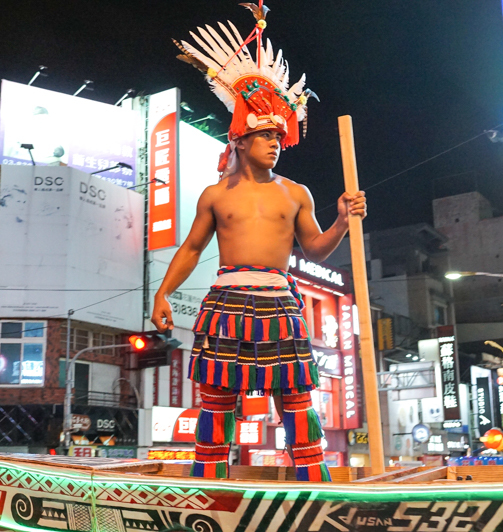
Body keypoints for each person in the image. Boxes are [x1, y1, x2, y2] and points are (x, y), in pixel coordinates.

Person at [154, 3, 366, 482]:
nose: (274, 141)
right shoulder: (215, 194)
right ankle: (208, 484)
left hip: (279, 296)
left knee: (295, 396)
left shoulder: (296, 193)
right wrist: (162, 292)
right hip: (227, 296)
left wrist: (342, 220)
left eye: (277, 134)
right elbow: (190, 249)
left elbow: (314, 249)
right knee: (215, 397)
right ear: (241, 141)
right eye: (266, 134)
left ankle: (314, 483)